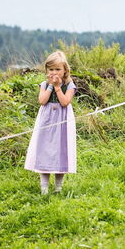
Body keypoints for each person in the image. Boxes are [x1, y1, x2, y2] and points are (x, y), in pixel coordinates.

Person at [25, 50, 77, 194]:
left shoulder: (70, 85)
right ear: (47, 70)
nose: (54, 72)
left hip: (62, 120)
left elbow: (65, 102)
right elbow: (42, 101)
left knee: (61, 150)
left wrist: (58, 88)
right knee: (45, 150)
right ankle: (44, 188)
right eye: (51, 69)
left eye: (58, 69)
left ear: (65, 70)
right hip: (46, 120)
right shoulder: (44, 84)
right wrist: (49, 86)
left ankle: (58, 188)